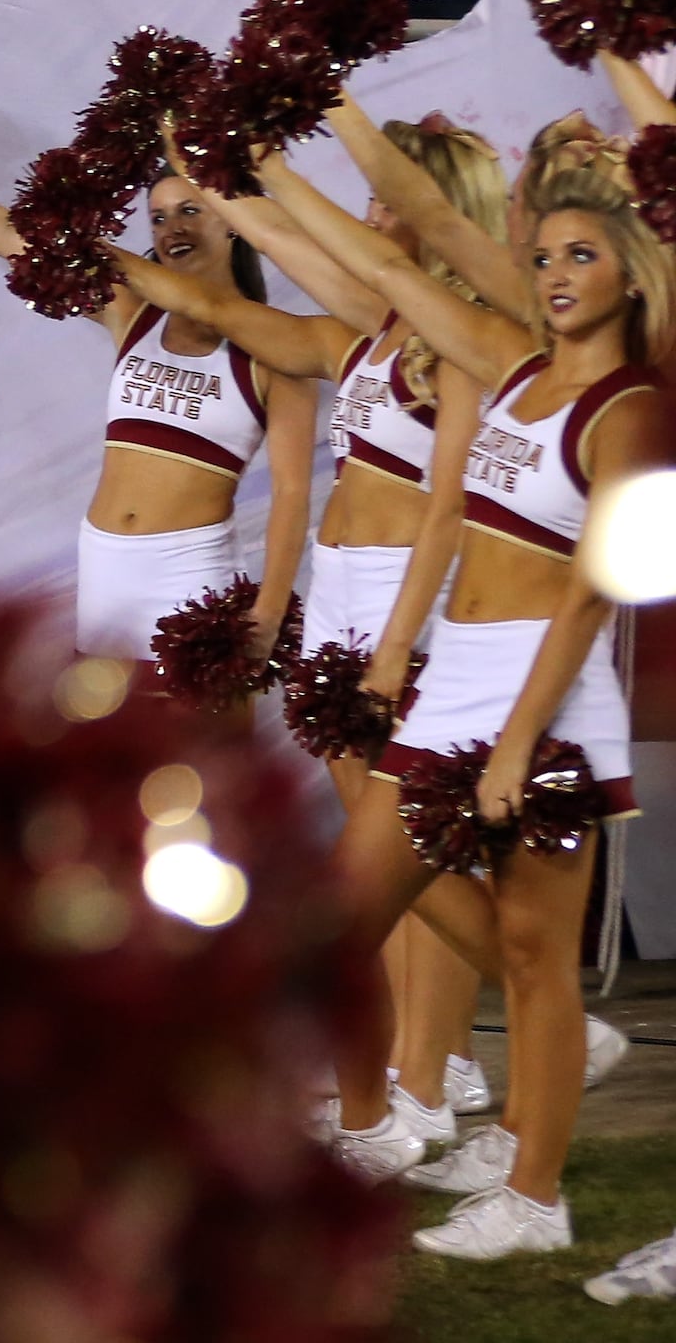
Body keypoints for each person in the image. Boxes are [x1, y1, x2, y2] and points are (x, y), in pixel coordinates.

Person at [258, 150, 668, 1258]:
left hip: (549, 693)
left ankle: (534, 1201)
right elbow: (415, 233)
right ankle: (366, 1124)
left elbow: (600, 583)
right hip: (455, 682)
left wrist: (521, 736)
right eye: (541, 256)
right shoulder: (512, 362)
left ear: (634, 273)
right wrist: (285, 136)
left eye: (582, 255)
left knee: (538, 960)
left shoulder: (629, 408)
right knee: (336, 926)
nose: (555, 272)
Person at [104, 127, 507, 1152]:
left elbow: (456, 505)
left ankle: (480, 1038)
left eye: (388, 199)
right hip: (340, 596)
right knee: (388, 857)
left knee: (400, 852)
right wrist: (195, 180)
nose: (370, 216)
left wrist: (240, 164)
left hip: (402, 603)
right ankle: (415, 1073)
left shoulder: (468, 340)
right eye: (369, 199)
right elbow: (241, 289)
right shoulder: (360, 332)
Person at [0, 164, 316, 678]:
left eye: (191, 210)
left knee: (195, 756)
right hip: (104, 586)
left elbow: (291, 492)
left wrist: (267, 615)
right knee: (109, 749)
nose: (173, 228)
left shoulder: (276, 349)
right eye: (159, 218)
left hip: (189, 586)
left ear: (234, 221)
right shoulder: (134, 314)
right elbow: (5, 235)